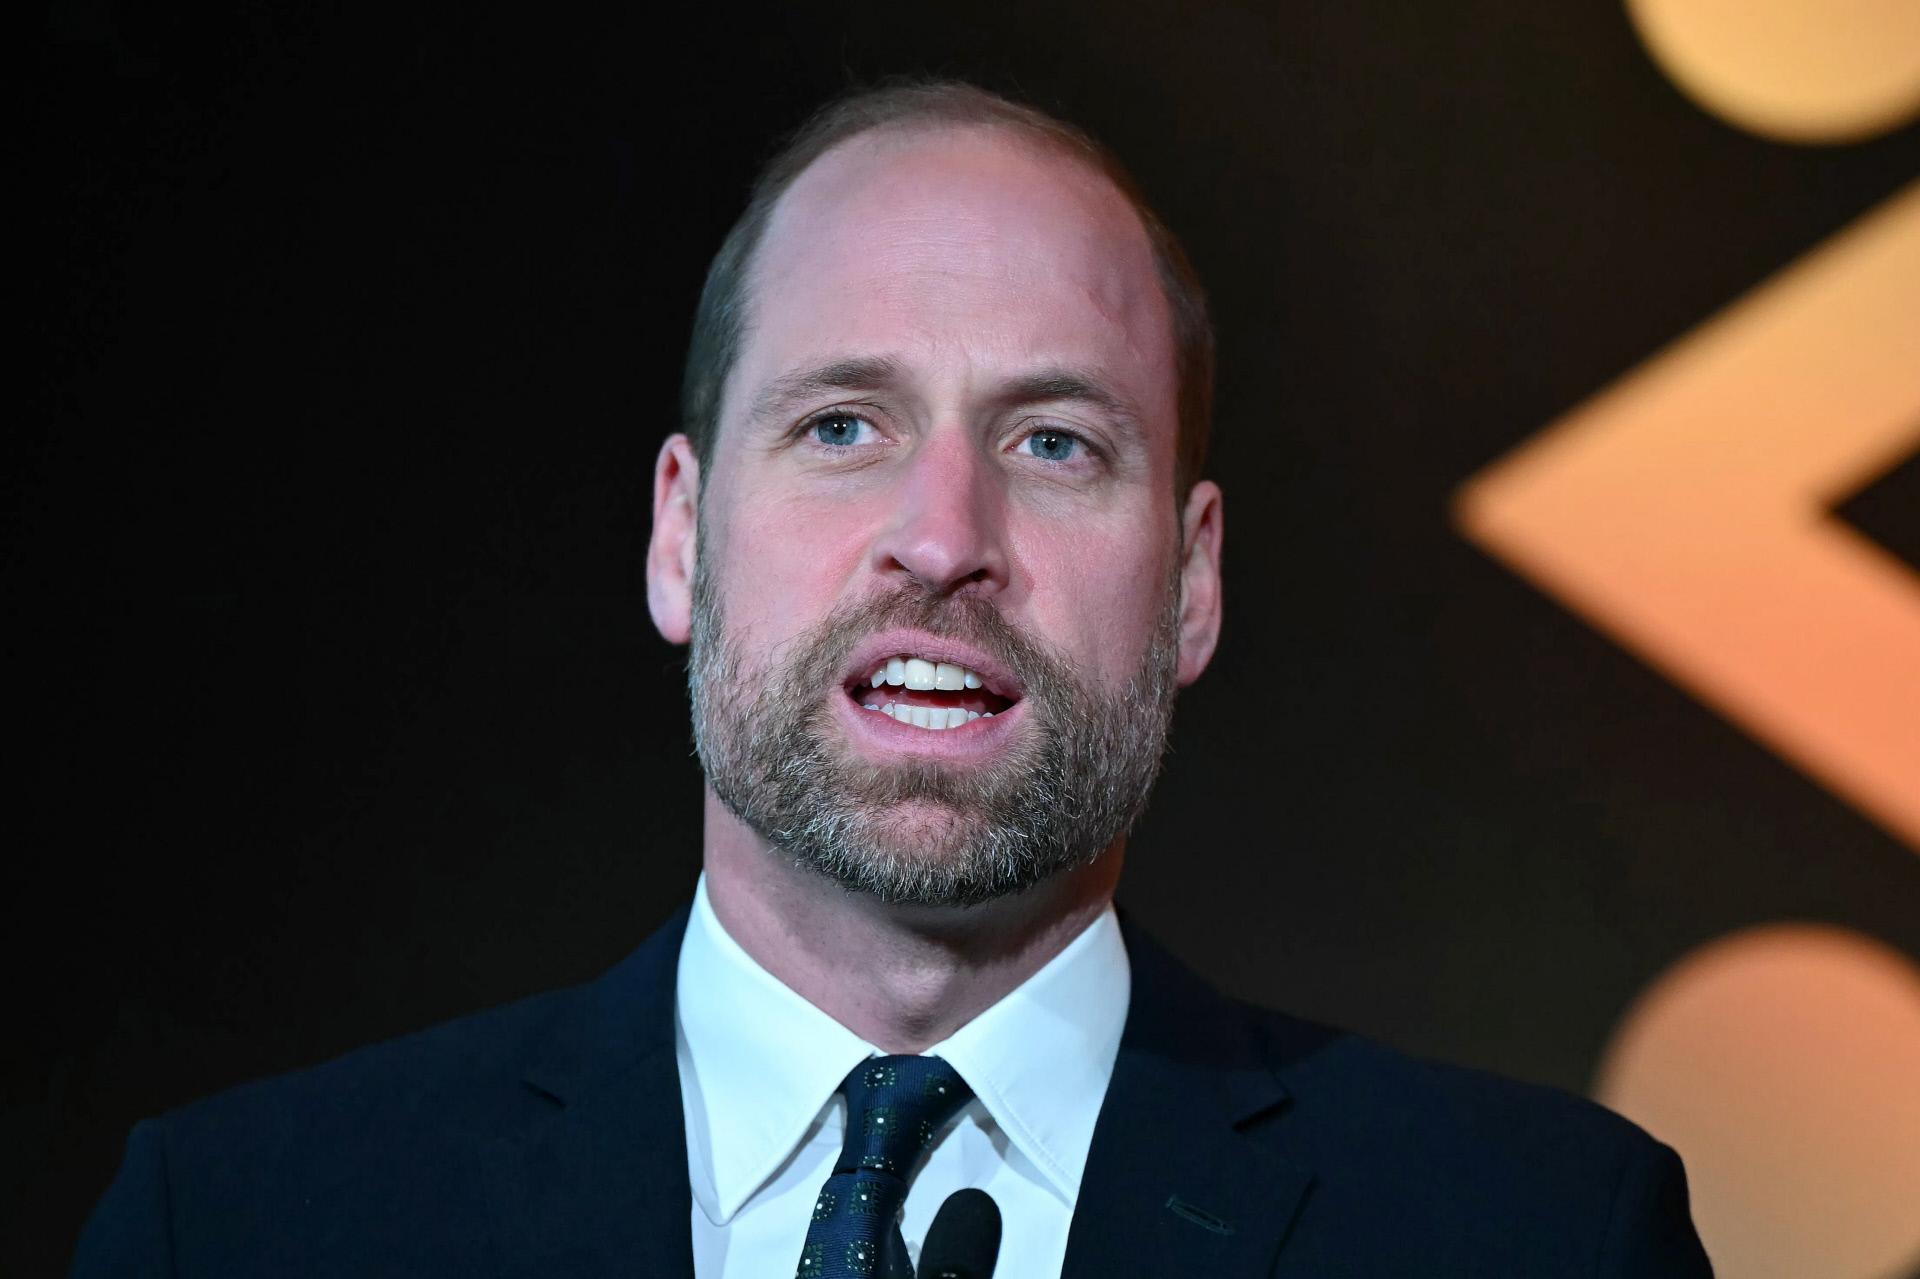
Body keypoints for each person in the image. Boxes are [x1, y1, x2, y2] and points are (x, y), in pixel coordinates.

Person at [72, 79, 1712, 1277]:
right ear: (680, 534)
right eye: (843, 425)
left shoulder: (1537, 1236)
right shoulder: (241, 1228)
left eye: (1054, 443)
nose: (943, 539)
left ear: (1192, 582)